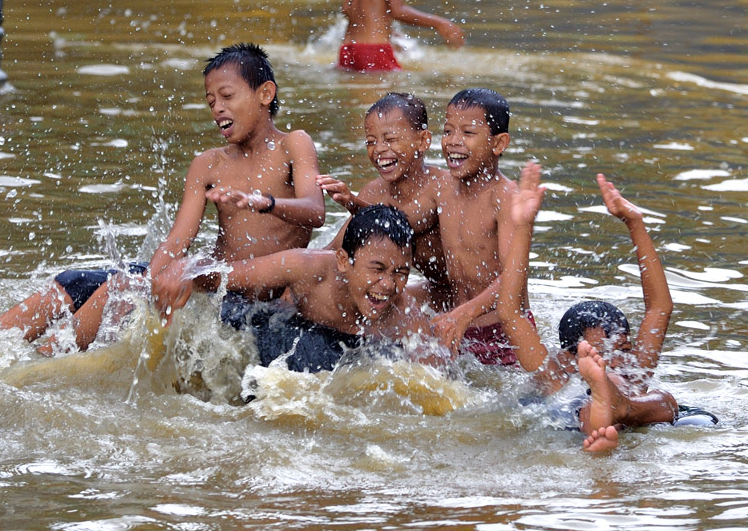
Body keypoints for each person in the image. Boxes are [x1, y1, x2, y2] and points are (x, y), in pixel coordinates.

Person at [0, 43, 326, 353]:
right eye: (211, 101)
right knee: (78, 282)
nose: (218, 108)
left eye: (227, 96)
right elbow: (177, 241)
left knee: (120, 287)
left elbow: (315, 211)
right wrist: (145, 284)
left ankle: (40, 370)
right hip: (205, 284)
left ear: (265, 94)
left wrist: (264, 202)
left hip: (241, 293)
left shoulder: (293, 144)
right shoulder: (208, 163)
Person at [493, 163, 679, 452]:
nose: (617, 361)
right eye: (600, 355)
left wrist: (635, 223)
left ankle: (618, 411)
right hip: (576, 419)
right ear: (568, 360)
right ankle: (608, 416)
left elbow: (659, 309)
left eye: (624, 350)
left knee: (665, 400)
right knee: (583, 409)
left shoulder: (635, 371)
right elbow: (510, 312)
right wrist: (523, 227)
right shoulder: (555, 374)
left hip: (631, 408)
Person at [153, 204, 481, 368]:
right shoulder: (307, 268)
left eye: (401, 273)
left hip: (345, 354)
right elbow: (232, 275)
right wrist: (186, 271)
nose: (388, 285)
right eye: (377, 269)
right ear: (343, 261)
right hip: (281, 328)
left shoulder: (403, 316)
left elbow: (438, 382)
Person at [317, 92, 452, 309]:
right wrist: (291, 274)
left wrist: (353, 203)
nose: (379, 149)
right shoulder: (374, 191)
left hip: (468, 296)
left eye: (390, 139)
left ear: (422, 141)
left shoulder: (442, 187)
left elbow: (402, 223)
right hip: (433, 290)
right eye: (371, 142)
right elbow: (335, 251)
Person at [434, 88, 535, 365]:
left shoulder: (505, 198)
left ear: (499, 144)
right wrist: (355, 204)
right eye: (447, 131)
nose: (453, 142)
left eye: (467, 133)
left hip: (504, 334)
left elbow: (514, 275)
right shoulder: (442, 187)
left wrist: (465, 313)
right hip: (458, 326)